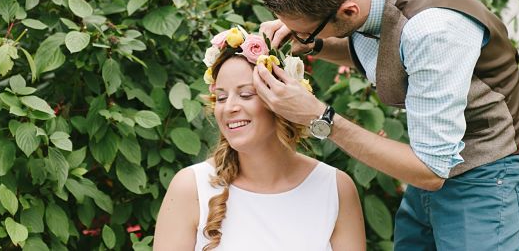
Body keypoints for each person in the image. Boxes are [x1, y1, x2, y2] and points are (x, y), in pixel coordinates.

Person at [254, 0, 519, 251]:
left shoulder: (433, 31)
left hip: (486, 171)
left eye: (305, 30)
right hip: (430, 152)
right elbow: (385, 51)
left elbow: (431, 171)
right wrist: (314, 43)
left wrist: (320, 119)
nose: (297, 35)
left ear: (349, 11)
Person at [154, 26, 366, 251]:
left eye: (246, 94)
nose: (229, 108)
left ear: (282, 99)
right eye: (221, 97)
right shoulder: (190, 188)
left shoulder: (335, 188)